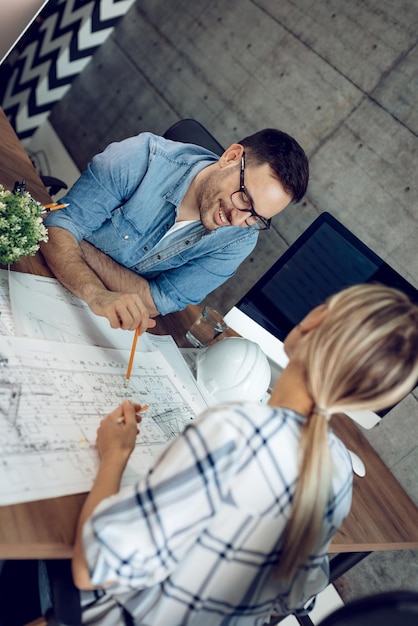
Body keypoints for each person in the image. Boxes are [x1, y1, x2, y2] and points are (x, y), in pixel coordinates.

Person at [71, 283, 418, 625]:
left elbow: (90, 569)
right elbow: (297, 596)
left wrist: (115, 455)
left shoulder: (234, 428)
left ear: (316, 318)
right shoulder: (340, 471)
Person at [40, 128, 309, 333]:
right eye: (244, 199)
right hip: (46, 275)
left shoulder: (240, 240)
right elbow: (57, 228)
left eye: (256, 217)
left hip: (99, 320)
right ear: (231, 157)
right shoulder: (140, 157)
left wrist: (80, 243)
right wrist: (97, 293)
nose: (238, 220)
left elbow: (156, 303)